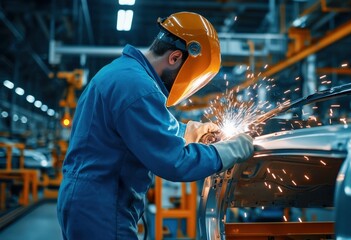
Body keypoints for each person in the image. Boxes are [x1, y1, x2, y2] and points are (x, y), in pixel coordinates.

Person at [57, 11, 254, 239]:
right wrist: (228, 151)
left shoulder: (123, 73)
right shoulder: (138, 88)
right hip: (102, 207)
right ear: (175, 58)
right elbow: (174, 162)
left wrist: (189, 131)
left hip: (89, 200)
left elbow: (145, 130)